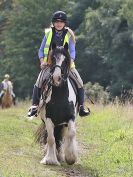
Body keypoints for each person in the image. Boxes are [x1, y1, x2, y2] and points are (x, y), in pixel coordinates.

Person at [28, 11, 90, 117]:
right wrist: (42, 61)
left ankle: (81, 107)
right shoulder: (48, 33)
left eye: (61, 21)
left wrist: (71, 60)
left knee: (80, 82)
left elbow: (72, 50)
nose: (59, 23)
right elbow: (41, 50)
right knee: (38, 82)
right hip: (50, 64)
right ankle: (34, 106)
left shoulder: (69, 34)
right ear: (53, 22)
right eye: (56, 21)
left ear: (65, 23)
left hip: (66, 65)